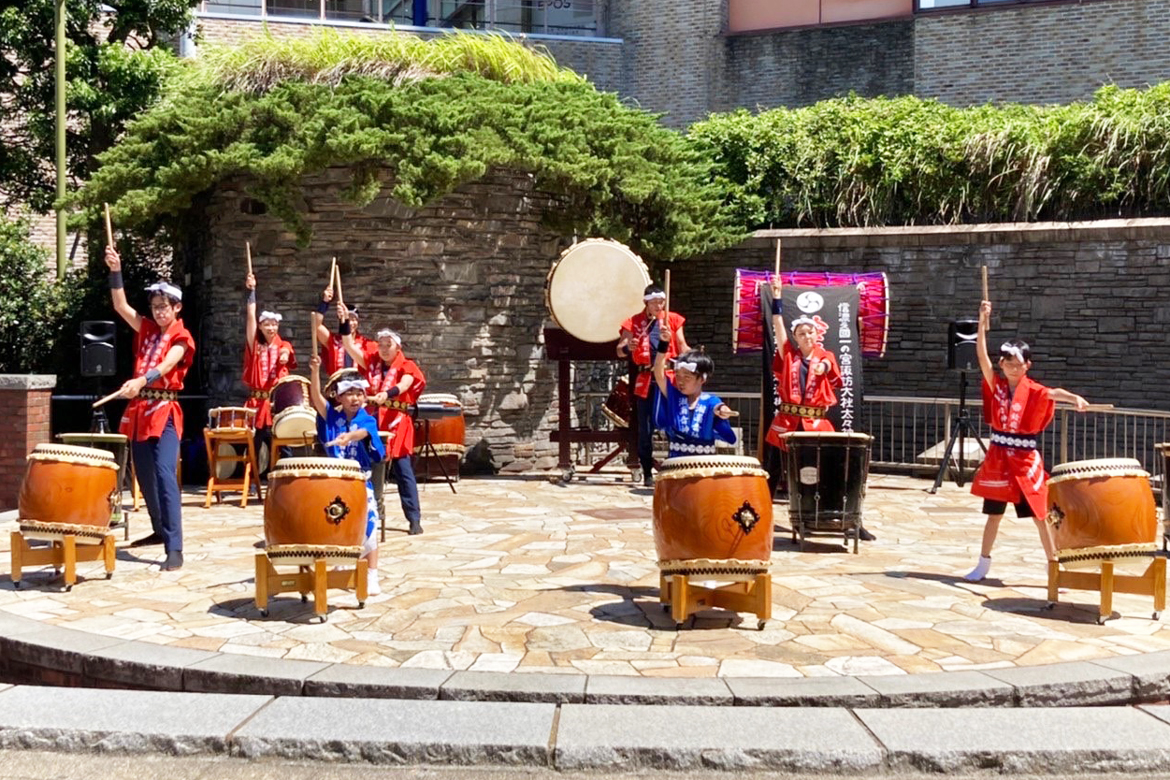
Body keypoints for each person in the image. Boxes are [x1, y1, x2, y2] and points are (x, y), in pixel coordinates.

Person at [963, 299, 1089, 583]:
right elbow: (981, 355)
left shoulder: (1034, 390)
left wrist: (1074, 398)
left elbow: (1053, 392)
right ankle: (983, 564)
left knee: (1040, 514)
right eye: (1008, 362)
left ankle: (1053, 566)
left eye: (1017, 363)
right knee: (993, 514)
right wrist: (982, 320)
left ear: (1027, 365)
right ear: (1002, 363)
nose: (1012, 367)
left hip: (1024, 459)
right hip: (998, 457)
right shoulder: (996, 385)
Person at [104, 246, 195, 571]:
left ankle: (175, 546)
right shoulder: (145, 330)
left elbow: (169, 364)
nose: (158, 313)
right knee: (142, 475)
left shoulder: (181, 335)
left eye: (164, 308)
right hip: (141, 409)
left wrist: (142, 380)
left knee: (164, 473)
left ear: (176, 308)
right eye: (155, 307)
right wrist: (116, 269)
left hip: (165, 410)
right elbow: (120, 305)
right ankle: (158, 530)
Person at [307, 356, 386, 595]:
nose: (355, 398)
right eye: (349, 393)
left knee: (369, 523)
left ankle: (372, 574)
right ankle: (341, 565)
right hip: (333, 482)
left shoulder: (367, 419)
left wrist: (349, 437)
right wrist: (315, 371)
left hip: (359, 480)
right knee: (335, 523)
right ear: (340, 397)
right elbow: (316, 399)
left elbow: (364, 433)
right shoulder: (332, 417)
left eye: (359, 393)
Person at [344, 324, 426, 536]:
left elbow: (407, 383)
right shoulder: (372, 363)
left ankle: (414, 518)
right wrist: (344, 321)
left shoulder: (407, 365)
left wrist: (387, 393)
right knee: (367, 469)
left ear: (397, 347)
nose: (383, 348)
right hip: (373, 422)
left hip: (397, 421)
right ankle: (364, 515)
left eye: (388, 345)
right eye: (380, 345)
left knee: (403, 470)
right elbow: (349, 346)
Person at [617, 283, 689, 486]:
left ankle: (675, 466)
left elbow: (682, 346)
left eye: (662, 302)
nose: (659, 306)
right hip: (646, 380)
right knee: (645, 427)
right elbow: (620, 349)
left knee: (675, 422)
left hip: (668, 378)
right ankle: (647, 470)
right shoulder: (633, 322)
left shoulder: (672, 320)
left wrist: (695, 360)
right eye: (655, 302)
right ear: (646, 303)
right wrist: (627, 347)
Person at [651, 326, 735, 457]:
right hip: (676, 461)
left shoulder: (710, 400)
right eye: (678, 376)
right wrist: (663, 344)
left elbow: (719, 407)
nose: (680, 381)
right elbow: (658, 372)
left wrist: (723, 411)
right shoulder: (674, 397)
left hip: (704, 464)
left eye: (687, 377)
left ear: (701, 379)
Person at [243, 271, 295, 470]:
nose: (271, 328)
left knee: (284, 443)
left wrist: (283, 355)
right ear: (261, 326)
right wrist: (251, 291)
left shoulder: (284, 345)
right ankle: (254, 479)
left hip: (277, 403)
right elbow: (249, 317)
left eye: (274, 324)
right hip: (257, 403)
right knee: (255, 445)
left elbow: (286, 353)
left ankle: (287, 477)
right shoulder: (254, 345)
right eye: (267, 324)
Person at [313, 284, 370, 374]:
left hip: (359, 385)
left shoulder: (367, 344)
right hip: (338, 383)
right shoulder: (333, 341)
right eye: (348, 319)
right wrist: (325, 302)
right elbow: (316, 325)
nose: (350, 323)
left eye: (354, 319)